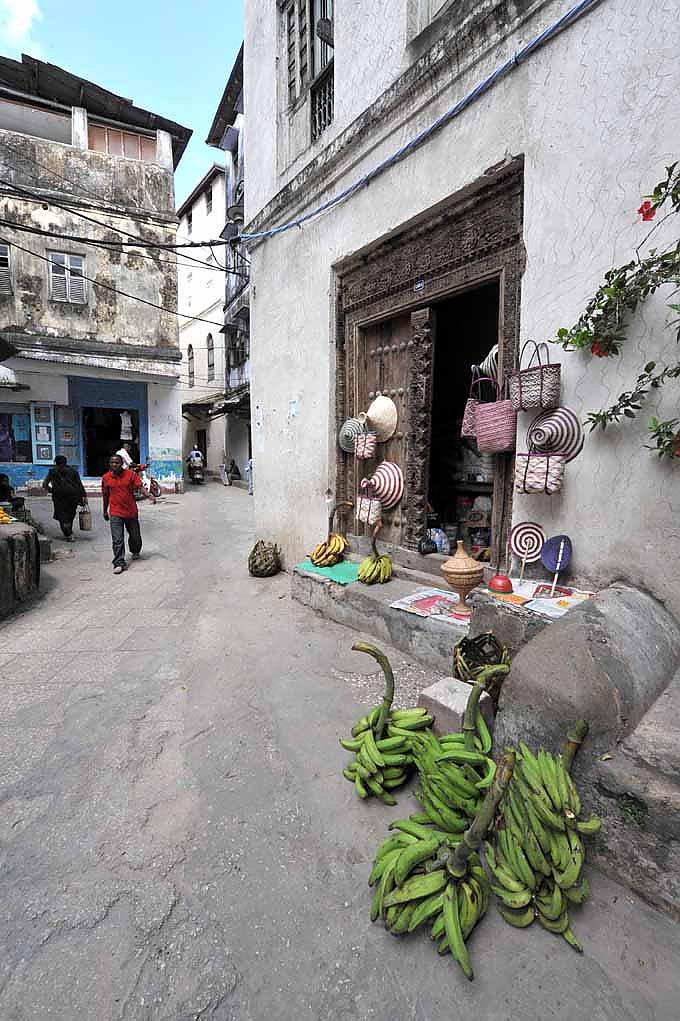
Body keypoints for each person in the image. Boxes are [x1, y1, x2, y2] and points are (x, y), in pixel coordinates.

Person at [102, 454, 155, 574]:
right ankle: (119, 562)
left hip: (130, 511)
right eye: (112, 462)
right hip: (115, 512)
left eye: (117, 463)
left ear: (122, 464)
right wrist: (105, 510)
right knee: (117, 539)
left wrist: (149, 495)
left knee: (135, 536)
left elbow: (140, 487)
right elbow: (105, 495)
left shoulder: (131, 475)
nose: (114, 465)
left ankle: (135, 550)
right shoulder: (106, 478)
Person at [42, 456, 87, 541]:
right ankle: (69, 531)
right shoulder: (73, 471)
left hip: (59, 496)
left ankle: (68, 533)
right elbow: (79, 485)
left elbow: (45, 484)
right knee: (71, 514)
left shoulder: (52, 471)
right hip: (73, 496)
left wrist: (52, 490)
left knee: (62, 515)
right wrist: (84, 496)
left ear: (56, 462)